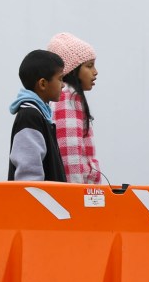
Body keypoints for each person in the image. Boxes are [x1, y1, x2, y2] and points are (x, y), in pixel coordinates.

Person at [46, 32, 105, 184]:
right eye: (89, 66)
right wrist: (77, 197)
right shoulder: (67, 99)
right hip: (79, 195)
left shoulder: (72, 98)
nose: (95, 72)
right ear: (71, 70)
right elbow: (69, 156)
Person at [8, 50, 67, 182]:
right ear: (43, 84)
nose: (63, 85)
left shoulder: (40, 114)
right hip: (38, 201)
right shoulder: (30, 116)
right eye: (60, 79)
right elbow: (28, 174)